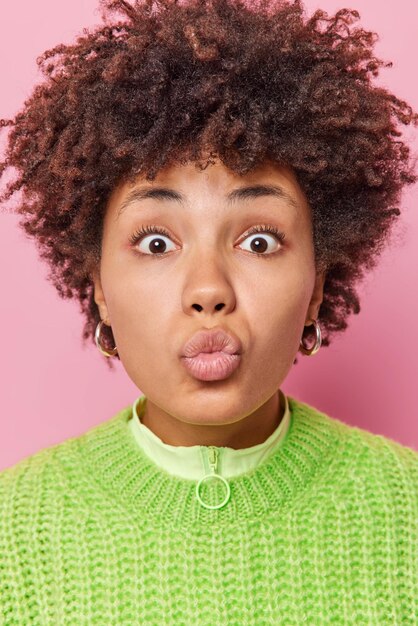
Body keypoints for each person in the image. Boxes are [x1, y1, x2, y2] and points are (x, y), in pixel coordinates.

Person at [0, 0, 417, 623]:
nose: (208, 289)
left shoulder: (405, 505)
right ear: (101, 289)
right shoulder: (14, 533)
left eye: (258, 241)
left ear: (316, 282)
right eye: (156, 242)